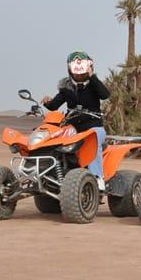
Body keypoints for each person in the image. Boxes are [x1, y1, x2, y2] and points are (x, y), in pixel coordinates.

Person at [42, 50, 110, 190]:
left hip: (94, 126)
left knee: (93, 139)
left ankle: (98, 178)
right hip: (73, 127)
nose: (79, 74)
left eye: (83, 70)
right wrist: (47, 102)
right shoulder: (66, 87)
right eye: (76, 71)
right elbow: (54, 105)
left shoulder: (94, 84)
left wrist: (92, 77)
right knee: (53, 139)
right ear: (70, 70)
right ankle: (51, 175)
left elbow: (105, 95)